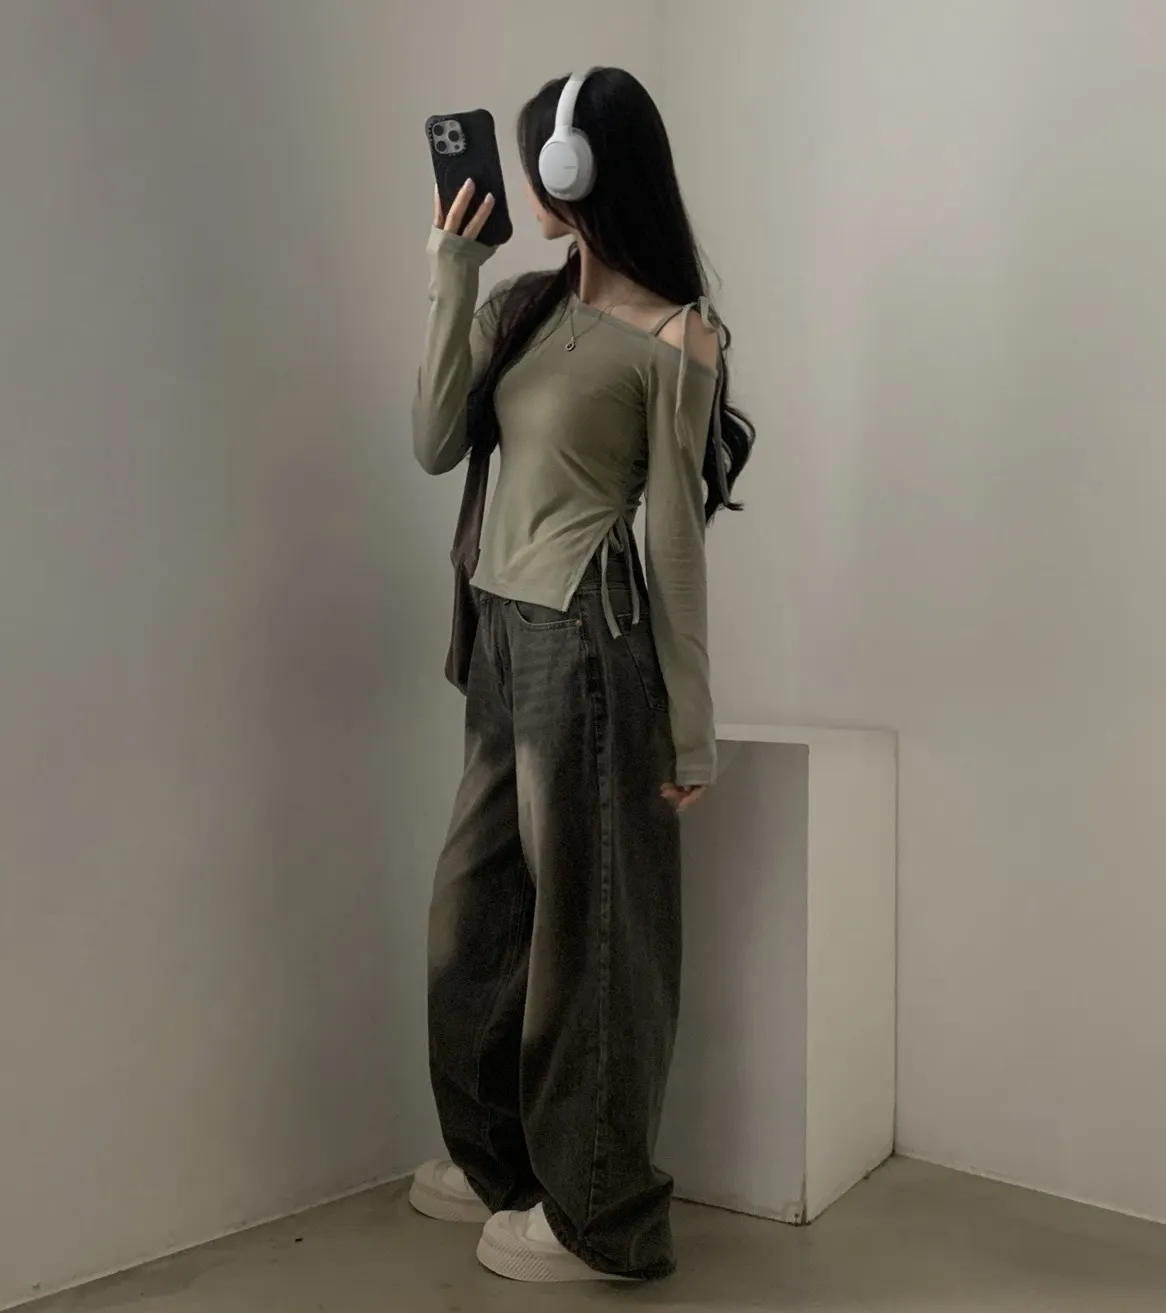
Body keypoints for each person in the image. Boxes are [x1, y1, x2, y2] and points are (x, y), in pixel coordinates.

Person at [406, 67, 753, 1284]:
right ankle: (501, 1162)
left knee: (588, 942)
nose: (523, 179)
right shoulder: (518, 303)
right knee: (473, 919)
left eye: (535, 159)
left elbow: (674, 543)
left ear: (576, 171)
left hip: (589, 648)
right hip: (500, 635)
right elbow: (433, 440)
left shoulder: (674, 337)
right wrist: (452, 274)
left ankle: (598, 1211)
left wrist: (689, 727)